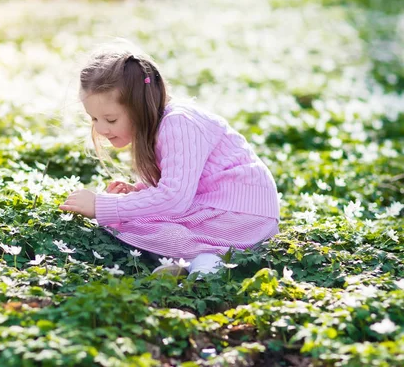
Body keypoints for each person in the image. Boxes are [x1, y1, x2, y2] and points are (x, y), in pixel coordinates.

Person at [59, 45, 280, 279]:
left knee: (131, 224)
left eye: (110, 119)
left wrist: (102, 206)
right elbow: (181, 184)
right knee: (133, 221)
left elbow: (174, 197)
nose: (101, 128)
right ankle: (201, 266)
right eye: (93, 118)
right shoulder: (160, 125)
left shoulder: (179, 122)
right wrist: (137, 192)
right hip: (223, 210)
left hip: (242, 216)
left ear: (140, 106)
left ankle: (199, 268)